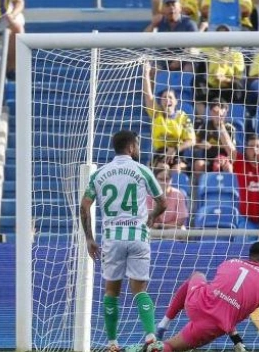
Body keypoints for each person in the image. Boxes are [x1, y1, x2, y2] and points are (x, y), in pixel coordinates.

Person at [80, 130, 167, 352]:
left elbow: (85, 205)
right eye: (137, 144)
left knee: (111, 292)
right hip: (138, 237)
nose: (138, 148)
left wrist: (90, 238)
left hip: (112, 239)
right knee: (139, 289)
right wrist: (151, 216)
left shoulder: (100, 174)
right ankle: (150, 338)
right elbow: (163, 202)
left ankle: (112, 344)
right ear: (131, 147)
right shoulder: (142, 170)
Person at [153, 242, 259, 352]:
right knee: (170, 347)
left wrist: (236, 339)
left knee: (197, 276)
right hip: (210, 326)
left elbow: (222, 300)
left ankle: (163, 324)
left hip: (197, 301)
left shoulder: (230, 263)